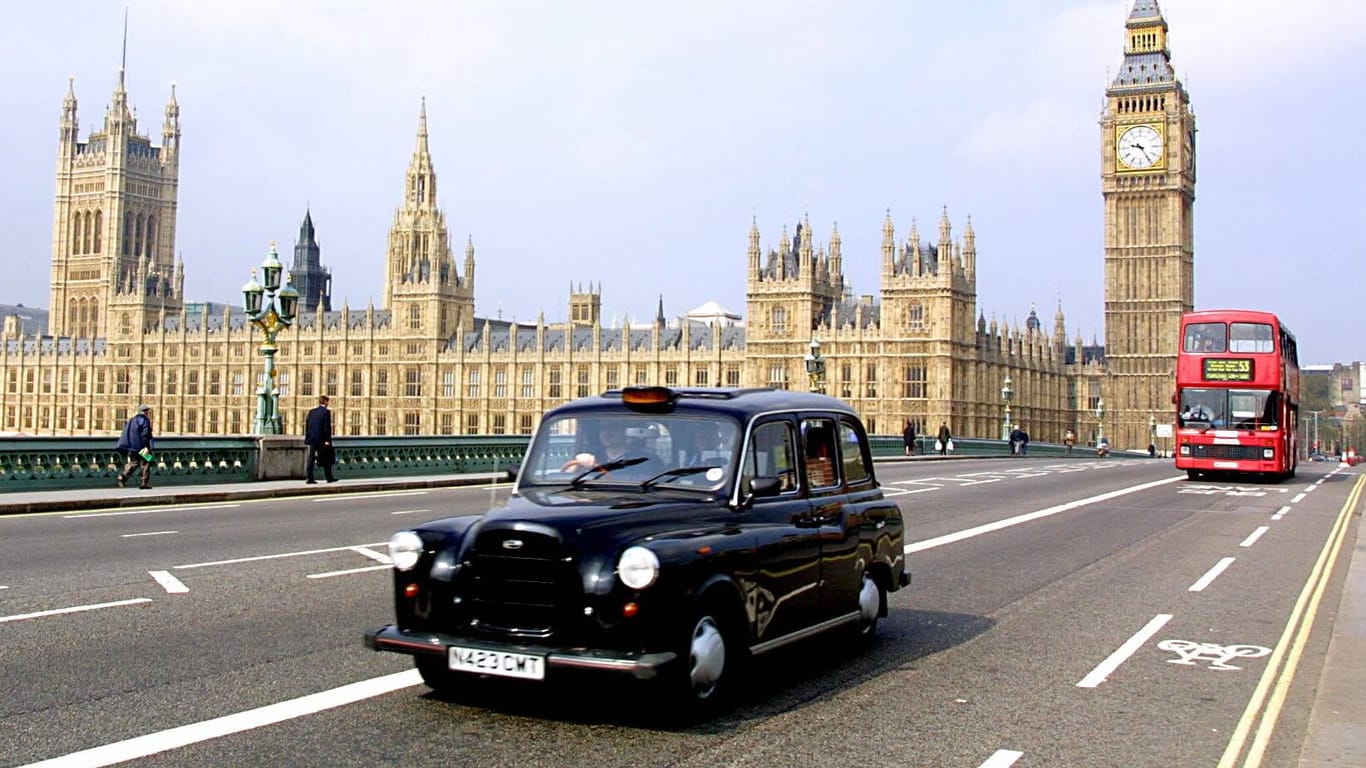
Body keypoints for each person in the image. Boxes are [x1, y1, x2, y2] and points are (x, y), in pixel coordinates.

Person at [115, 404, 155, 489]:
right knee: (147, 462)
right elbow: (145, 434)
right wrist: (147, 446)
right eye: (147, 412)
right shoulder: (145, 420)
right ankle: (144, 483)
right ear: (145, 412)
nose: (148, 413)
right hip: (142, 447)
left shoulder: (132, 420)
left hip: (133, 447)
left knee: (134, 463)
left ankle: (123, 477)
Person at [304, 395, 337, 484]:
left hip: (312, 438)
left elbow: (307, 425)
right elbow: (326, 427)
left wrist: (308, 437)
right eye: (327, 402)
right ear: (325, 402)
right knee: (327, 457)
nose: (328, 404)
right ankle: (329, 477)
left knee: (311, 458)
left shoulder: (312, 412)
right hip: (322, 439)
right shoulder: (326, 412)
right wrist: (327, 440)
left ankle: (309, 478)